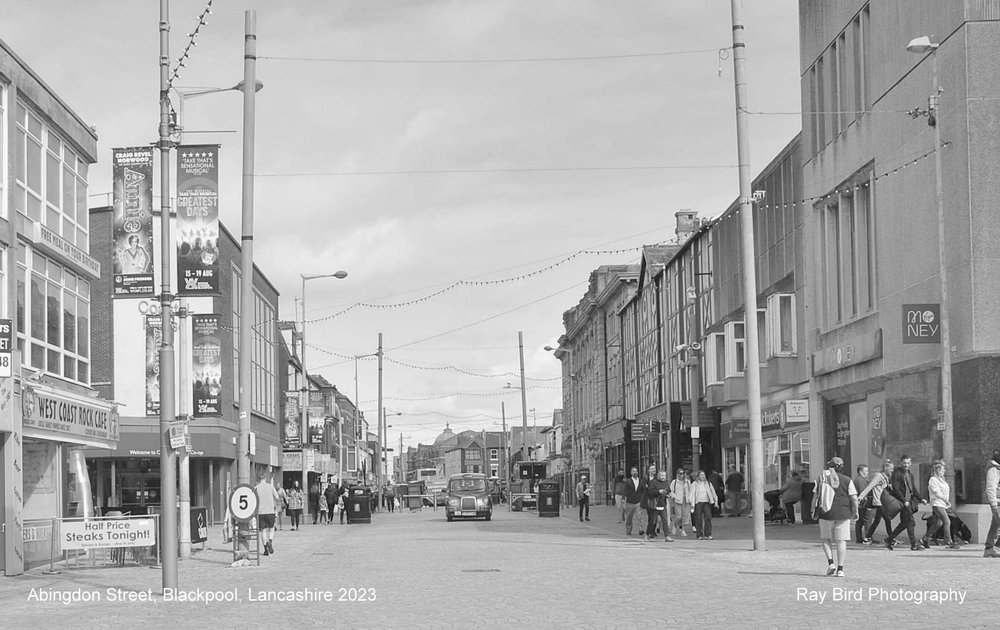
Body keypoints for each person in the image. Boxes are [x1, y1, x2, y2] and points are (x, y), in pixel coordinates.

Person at [812, 457, 858, 578]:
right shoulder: (847, 480)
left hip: (826, 512)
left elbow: (815, 496)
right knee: (841, 541)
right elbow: (854, 498)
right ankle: (841, 569)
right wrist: (855, 511)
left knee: (826, 538)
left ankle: (831, 563)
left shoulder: (821, 478)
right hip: (843, 513)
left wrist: (813, 510)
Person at [885, 454, 927, 551]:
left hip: (909, 501)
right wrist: (904, 501)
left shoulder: (909, 474)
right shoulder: (897, 473)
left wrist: (921, 499)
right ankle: (914, 544)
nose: (906, 465)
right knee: (911, 522)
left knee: (904, 523)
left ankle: (889, 539)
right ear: (901, 463)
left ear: (910, 463)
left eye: (908, 463)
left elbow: (913, 489)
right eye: (904, 463)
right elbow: (896, 488)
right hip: (903, 502)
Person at [922, 460, 960, 549]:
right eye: (943, 469)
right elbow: (936, 492)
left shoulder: (942, 480)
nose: (944, 471)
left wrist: (946, 501)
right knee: (947, 521)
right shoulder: (933, 479)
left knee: (938, 524)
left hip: (942, 503)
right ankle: (948, 541)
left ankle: (925, 538)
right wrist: (945, 499)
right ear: (938, 470)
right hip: (937, 503)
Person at [858, 459, 894, 544]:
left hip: (883, 502)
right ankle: (891, 539)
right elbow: (870, 486)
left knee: (877, 521)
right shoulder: (879, 476)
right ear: (886, 468)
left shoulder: (886, 477)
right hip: (879, 501)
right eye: (891, 468)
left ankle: (867, 537)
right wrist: (861, 496)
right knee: (887, 519)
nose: (892, 470)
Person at [254, 471, 281, 556]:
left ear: (258, 479)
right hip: (270, 511)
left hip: (260, 512)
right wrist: (276, 507)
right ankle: (270, 541)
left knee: (263, 531)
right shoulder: (270, 487)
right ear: (265, 478)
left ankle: (265, 548)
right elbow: (277, 498)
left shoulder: (256, 488)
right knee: (272, 528)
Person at [690, 471, 718, 539]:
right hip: (698, 503)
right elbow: (692, 494)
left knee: (708, 517)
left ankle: (708, 534)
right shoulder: (694, 484)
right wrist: (692, 504)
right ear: (698, 476)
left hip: (706, 502)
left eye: (704, 475)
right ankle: (699, 535)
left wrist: (716, 501)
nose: (703, 476)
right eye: (701, 475)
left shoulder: (708, 483)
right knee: (698, 519)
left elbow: (713, 493)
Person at [650, 471, 674, 542]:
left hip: (663, 504)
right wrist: (658, 492)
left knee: (665, 520)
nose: (663, 477)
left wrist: (669, 495)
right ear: (658, 476)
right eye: (662, 475)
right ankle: (649, 533)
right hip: (655, 505)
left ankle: (667, 536)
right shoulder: (653, 482)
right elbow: (650, 492)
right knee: (653, 521)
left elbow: (668, 491)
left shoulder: (666, 483)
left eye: (664, 475)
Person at [852, 465, 873, 543]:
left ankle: (859, 538)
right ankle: (868, 537)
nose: (867, 473)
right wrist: (868, 505)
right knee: (868, 520)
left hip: (860, 505)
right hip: (864, 505)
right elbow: (863, 492)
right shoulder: (860, 480)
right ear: (860, 472)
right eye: (866, 471)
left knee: (860, 522)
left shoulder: (858, 480)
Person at [985, 448, 1000, 558]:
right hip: (997, 502)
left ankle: (989, 548)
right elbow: (991, 487)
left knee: (995, 525)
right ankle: (992, 547)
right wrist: (994, 503)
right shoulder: (993, 469)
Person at [622, 467, 645, 536]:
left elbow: (643, 490)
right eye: (633, 471)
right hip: (630, 502)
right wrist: (623, 499)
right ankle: (628, 530)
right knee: (629, 517)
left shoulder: (641, 481)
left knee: (639, 516)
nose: (635, 472)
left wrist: (642, 499)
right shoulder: (628, 481)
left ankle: (641, 529)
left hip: (638, 502)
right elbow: (624, 491)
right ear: (631, 473)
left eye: (636, 471)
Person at [670, 468, 692, 536]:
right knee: (679, 516)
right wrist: (674, 496)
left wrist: (690, 499)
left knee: (685, 516)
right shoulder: (674, 482)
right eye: (680, 473)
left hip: (686, 501)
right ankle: (675, 525)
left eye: (683, 473)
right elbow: (671, 491)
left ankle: (683, 530)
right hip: (678, 501)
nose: (682, 475)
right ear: (677, 474)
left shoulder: (687, 482)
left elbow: (691, 491)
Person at [642, 464, 659, 540]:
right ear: (648, 470)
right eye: (652, 469)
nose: (654, 470)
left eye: (654, 469)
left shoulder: (657, 478)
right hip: (649, 500)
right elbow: (644, 489)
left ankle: (651, 531)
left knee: (656, 518)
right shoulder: (645, 478)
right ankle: (649, 532)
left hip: (657, 500)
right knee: (651, 518)